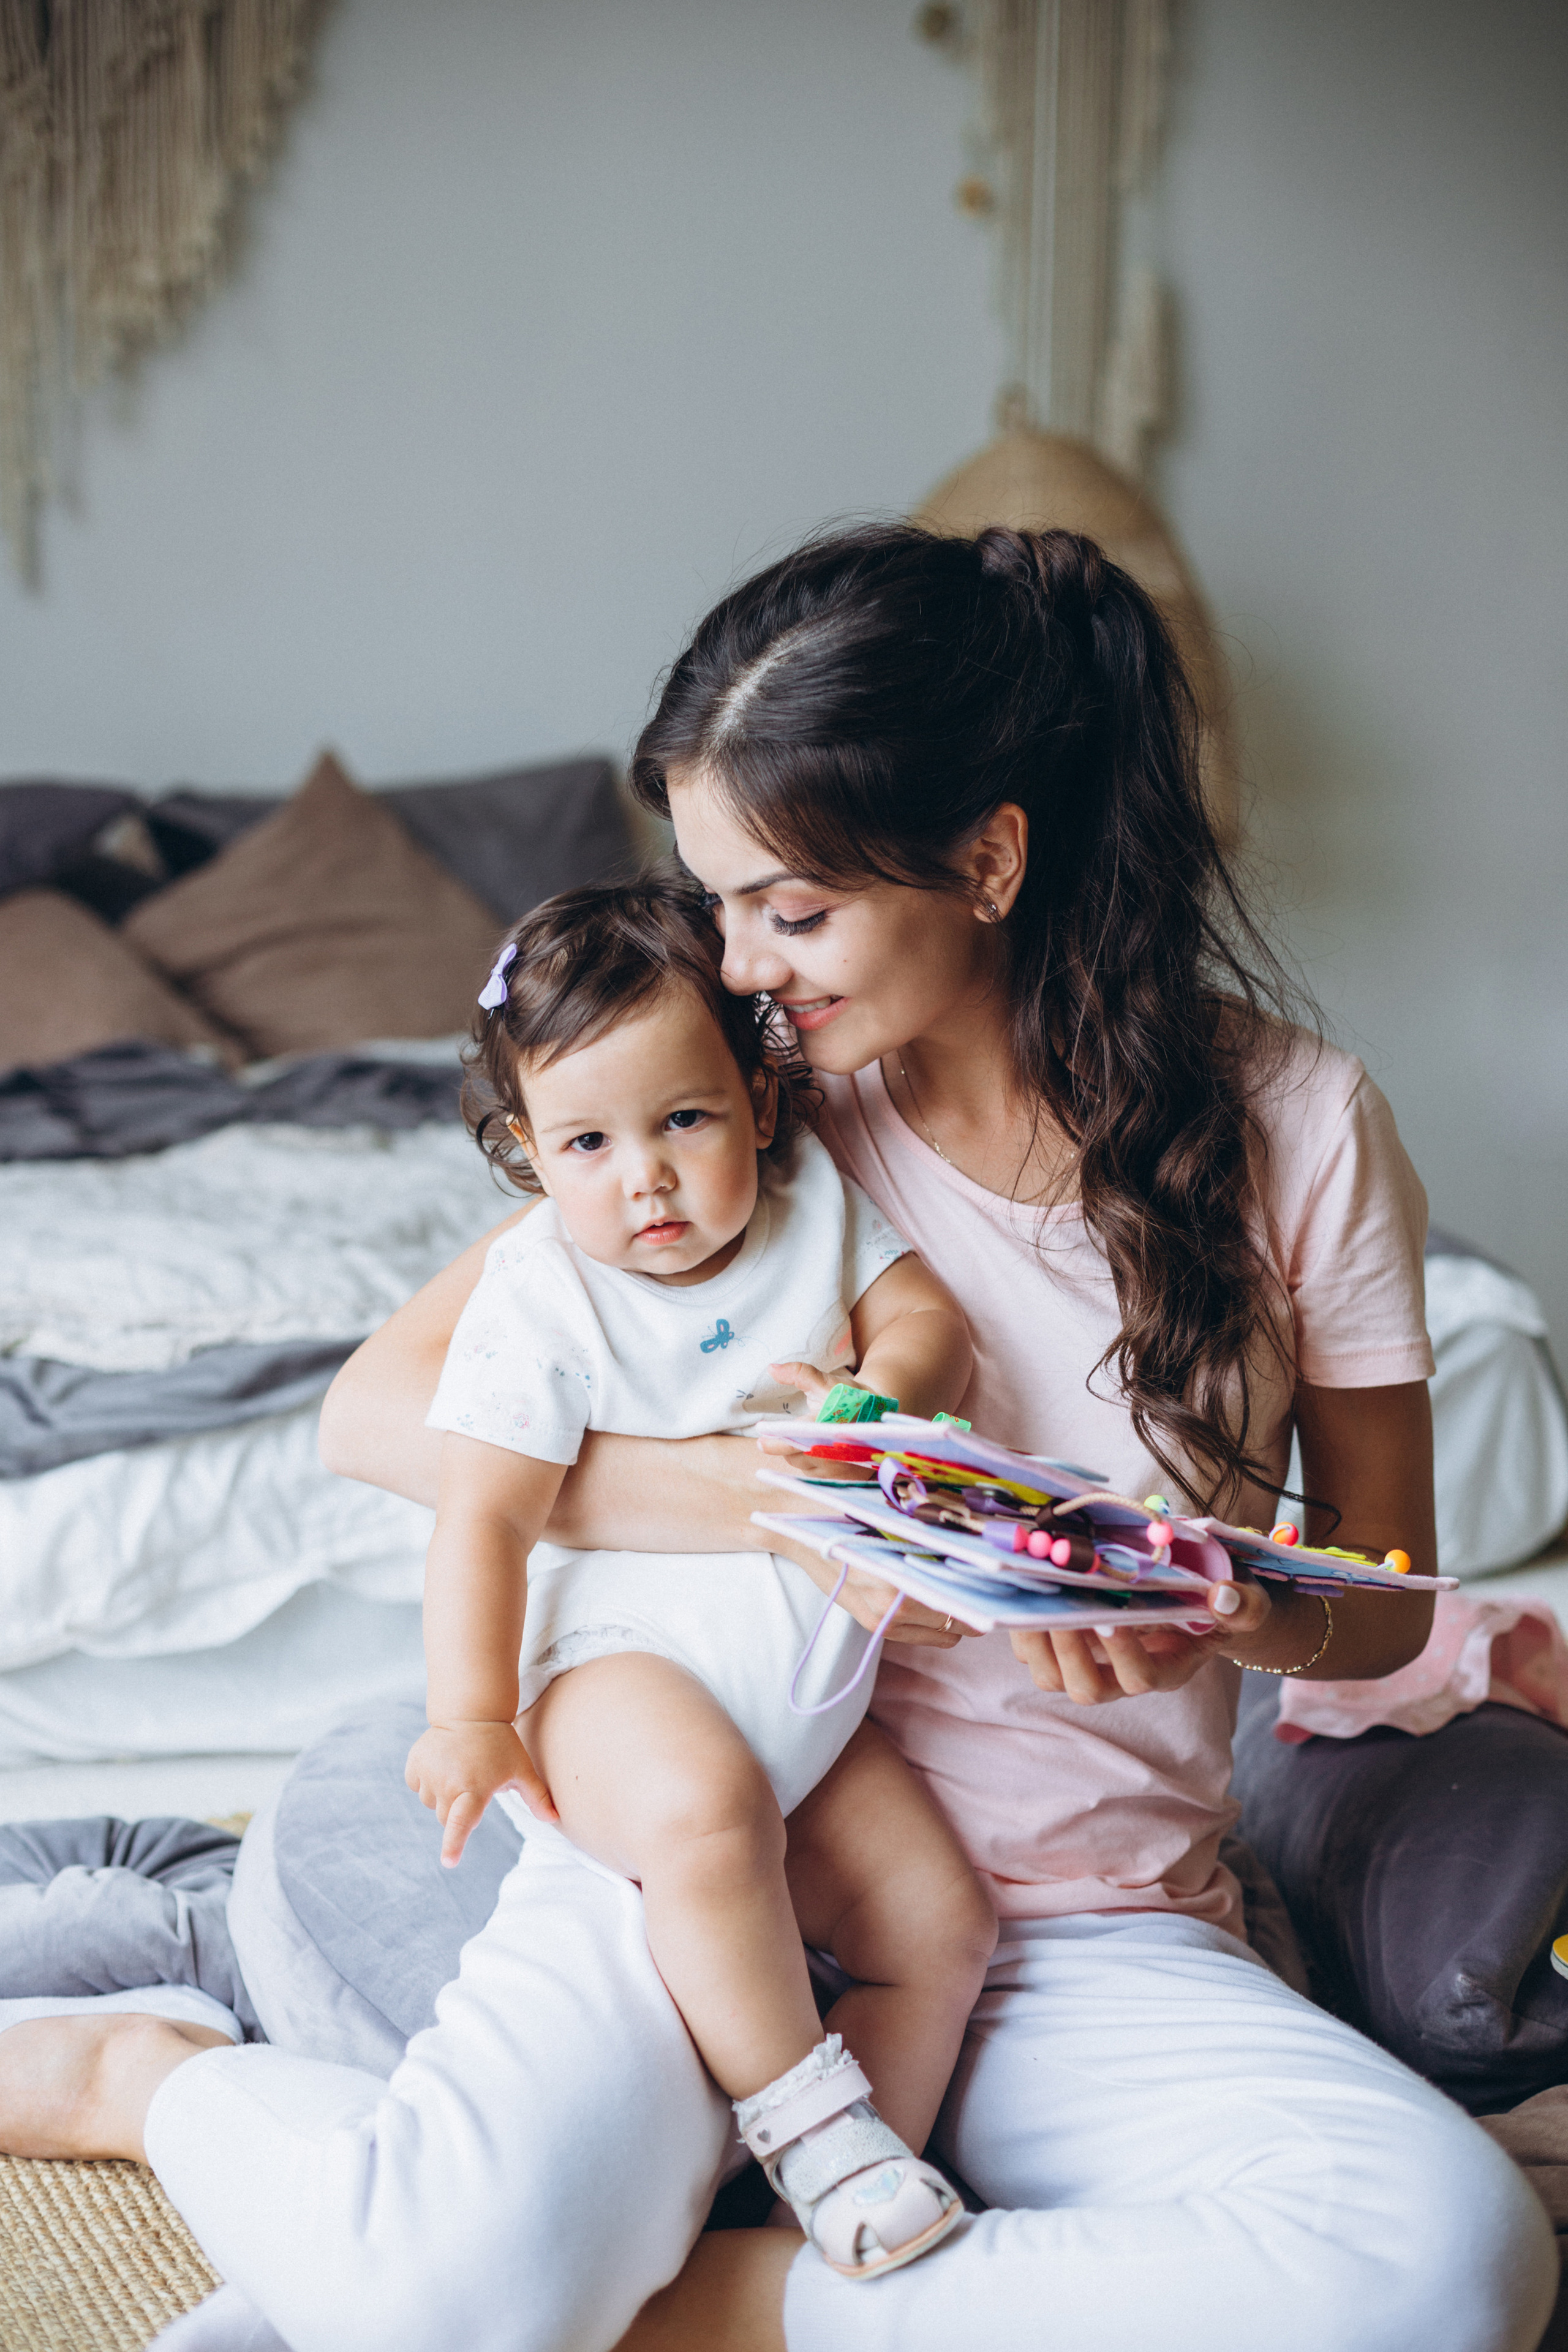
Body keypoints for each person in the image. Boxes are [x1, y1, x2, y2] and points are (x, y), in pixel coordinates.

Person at [0, 524, 1552, 2352]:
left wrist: (1219, 1606)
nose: (740, 963)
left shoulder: (1298, 1126)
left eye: (791, 910)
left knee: (1445, 2262)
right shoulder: (746, 1109)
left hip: (1083, 1921)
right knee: (448, 2290)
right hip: (709, 1847)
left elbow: (1382, 1602)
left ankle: (660, 2308)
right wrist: (759, 1491)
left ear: (989, 859)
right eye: (716, 898)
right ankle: (139, 2082)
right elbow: (376, 1411)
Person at [406, 877, 990, 2277]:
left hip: (797, 1697)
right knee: (708, 1811)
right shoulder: (546, 1293)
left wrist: (872, 1392)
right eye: (587, 1142)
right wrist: (469, 1713)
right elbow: (480, 1520)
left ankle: (819, 2213)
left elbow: (930, 1319)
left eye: (683, 1119)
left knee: (941, 1923)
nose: (644, 1177)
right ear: (531, 1157)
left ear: (761, 1103)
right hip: (608, 1671)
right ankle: (812, 2129)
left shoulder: (811, 1207)